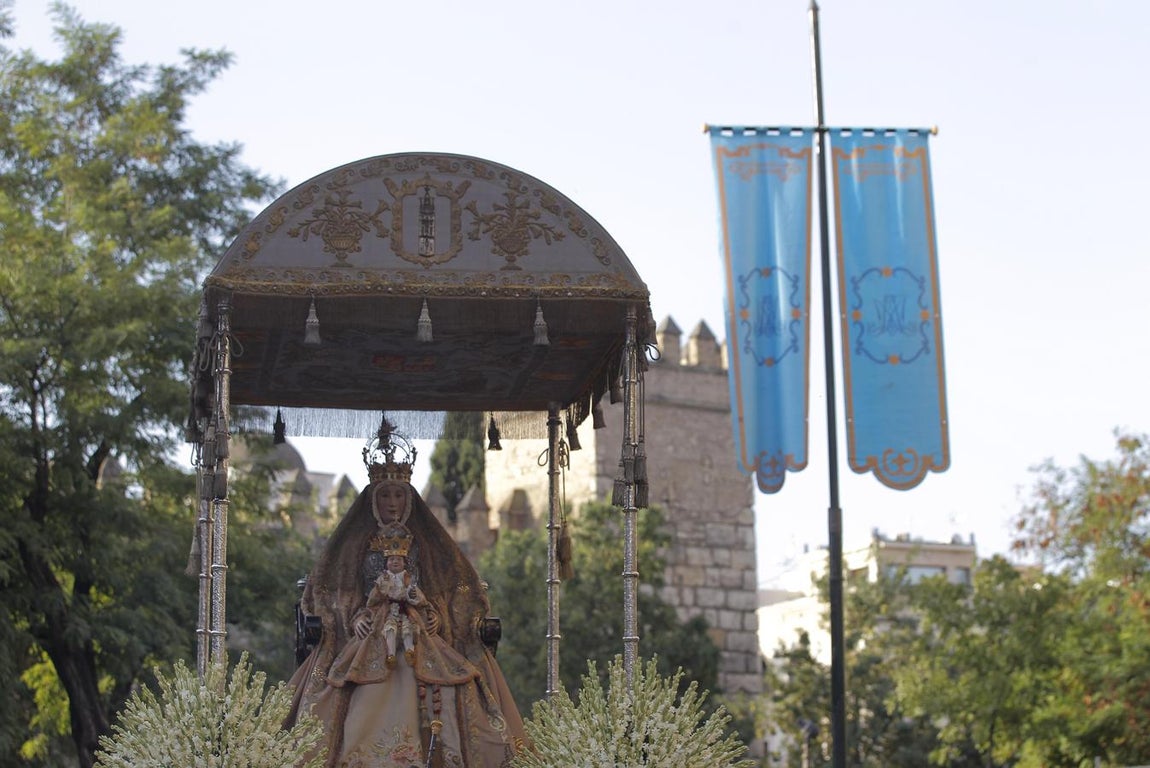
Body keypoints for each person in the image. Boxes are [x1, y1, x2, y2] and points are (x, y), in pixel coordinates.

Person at [286, 456, 526, 768]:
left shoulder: (426, 546)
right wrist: (355, 616)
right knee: (348, 690)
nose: (392, 503)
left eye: (399, 495)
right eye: (385, 495)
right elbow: (338, 591)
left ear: (409, 499)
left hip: (419, 633)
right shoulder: (355, 545)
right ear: (373, 500)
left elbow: (445, 588)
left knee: (457, 685)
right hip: (370, 633)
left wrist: (435, 614)